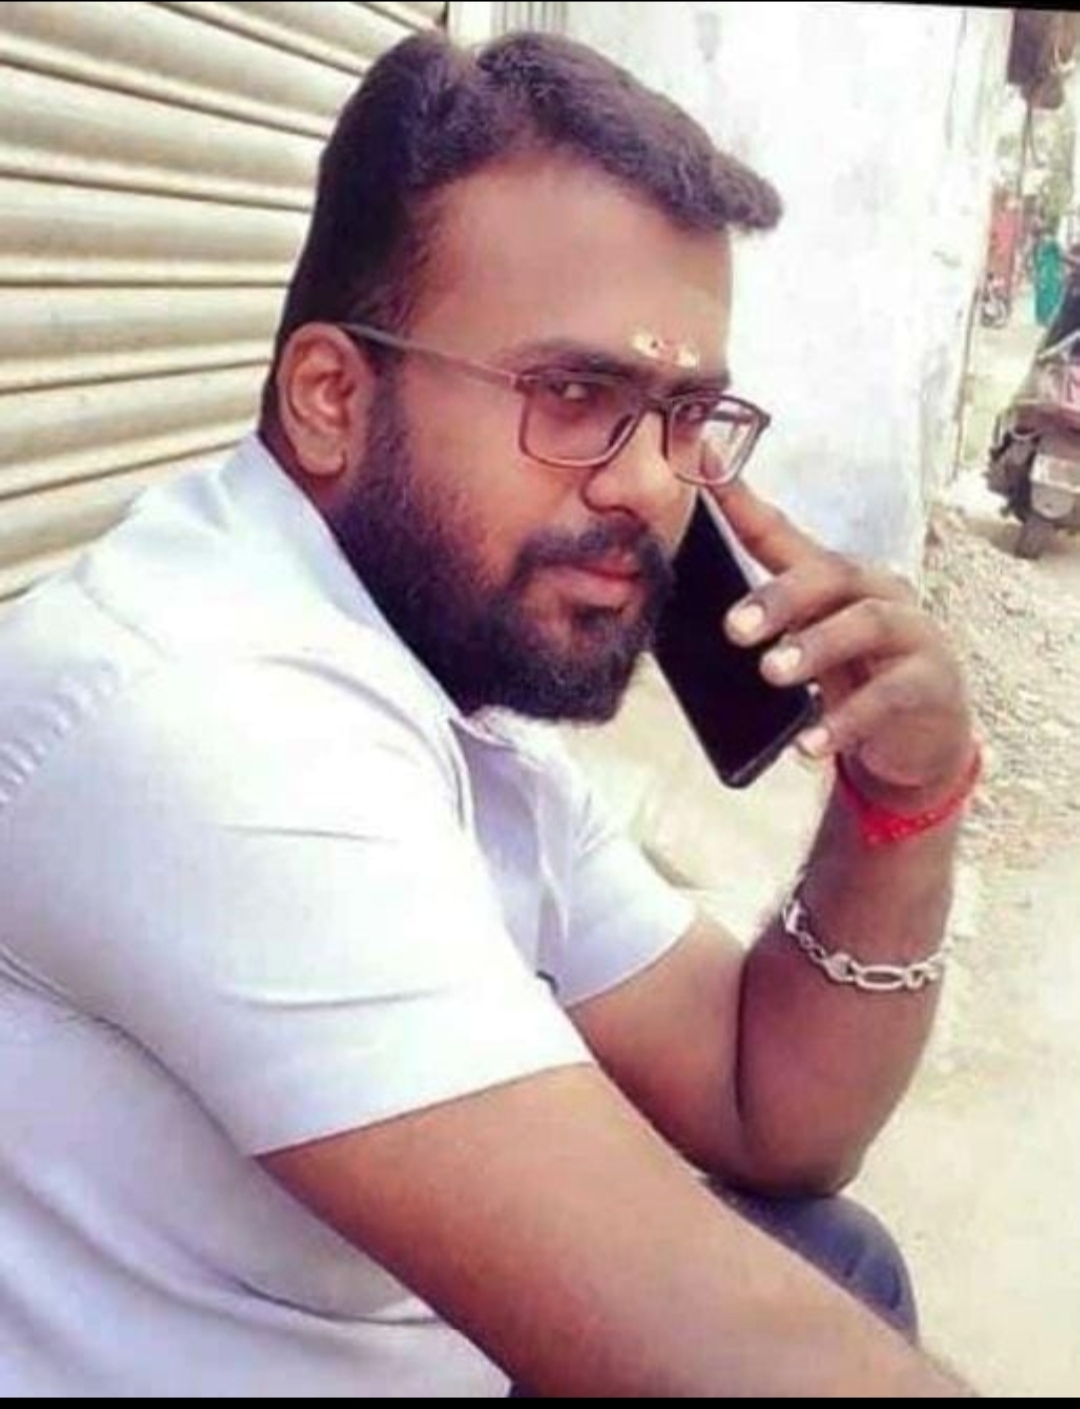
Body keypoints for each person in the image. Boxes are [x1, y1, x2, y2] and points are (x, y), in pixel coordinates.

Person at [0, 30, 979, 1398]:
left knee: (836, 1256)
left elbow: (773, 1107)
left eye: (686, 412)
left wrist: (903, 801)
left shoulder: (450, 676)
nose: (652, 484)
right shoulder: (197, 719)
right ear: (332, 398)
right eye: (574, 395)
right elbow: (703, 1340)